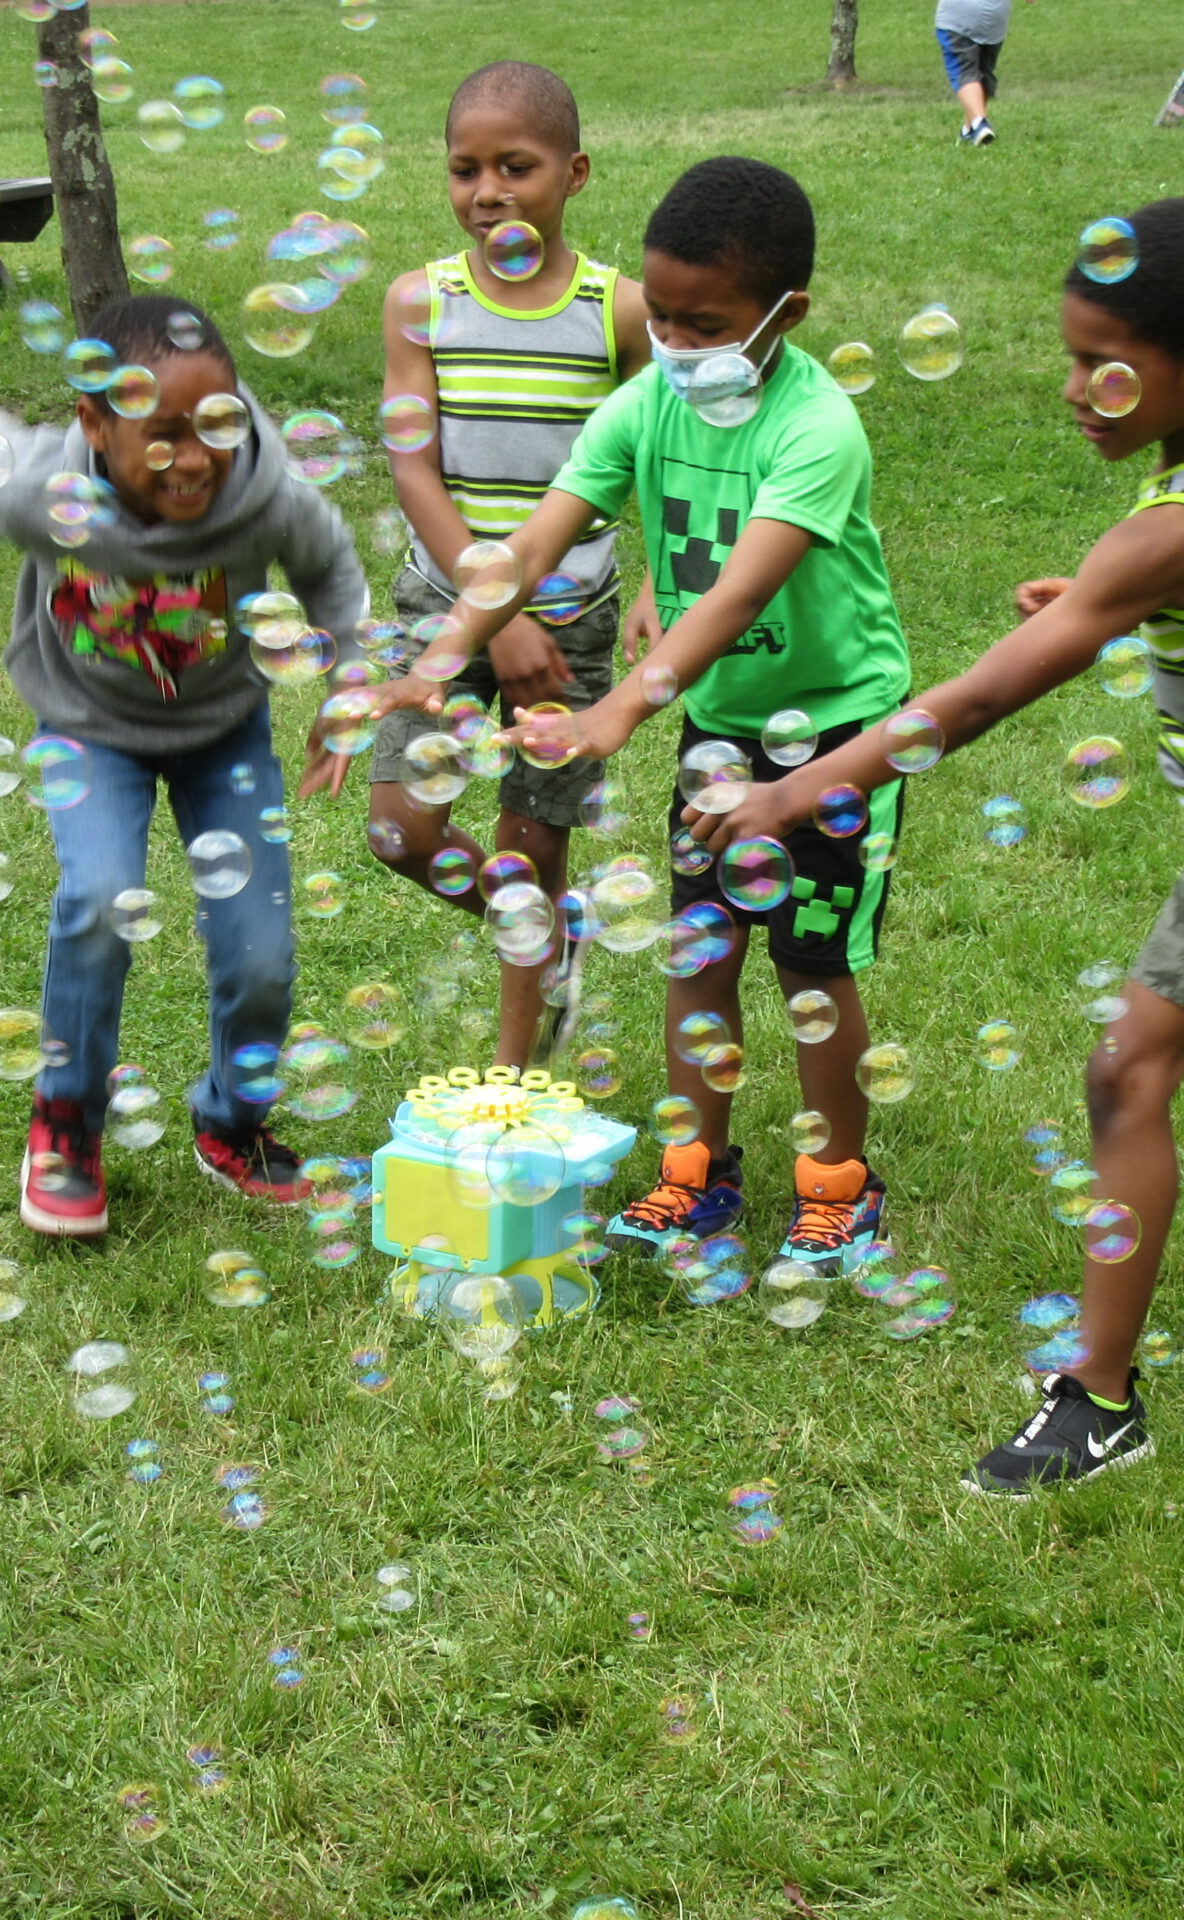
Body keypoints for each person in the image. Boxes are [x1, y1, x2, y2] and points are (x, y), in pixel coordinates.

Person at [691, 198, 1184, 1493]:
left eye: (1106, 366)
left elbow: (970, 704)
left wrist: (793, 796)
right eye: (1071, 355)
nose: (1075, 389)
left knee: (1126, 1075)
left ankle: (1100, 1401)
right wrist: (1120, 601)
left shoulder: (1170, 533)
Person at [382, 156, 912, 1278]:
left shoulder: (817, 429)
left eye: (702, 323)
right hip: (721, 726)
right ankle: (694, 1176)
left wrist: (617, 711)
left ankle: (838, 1192)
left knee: (811, 962)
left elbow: (736, 595)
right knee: (700, 948)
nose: (673, 342)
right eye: (660, 318)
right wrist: (442, 655)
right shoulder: (642, 404)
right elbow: (530, 542)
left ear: (784, 316)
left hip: (836, 733)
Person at [0, 295, 368, 1238]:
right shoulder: (40, 490)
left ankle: (232, 1124)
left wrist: (347, 685)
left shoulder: (266, 496)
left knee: (260, 946)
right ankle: (66, 1126)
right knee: (99, 898)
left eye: (218, 424)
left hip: (224, 728)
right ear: (94, 421)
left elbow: (332, 573)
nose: (199, 456)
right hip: (90, 726)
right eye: (164, 434)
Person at [368, 60, 651, 1068]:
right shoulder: (421, 301)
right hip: (443, 598)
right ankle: (539, 931)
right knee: (401, 826)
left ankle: (516, 1071)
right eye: (464, 168)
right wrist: (501, 614)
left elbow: (663, 454)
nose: (486, 190)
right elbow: (413, 470)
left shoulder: (619, 310)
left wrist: (658, 577)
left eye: (515, 166)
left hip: (570, 608)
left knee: (535, 836)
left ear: (573, 174)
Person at [937, 0, 1028, 146]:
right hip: (995, 19)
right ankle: (968, 131)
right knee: (982, 72)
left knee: (963, 71)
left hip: (958, 16)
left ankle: (980, 122)